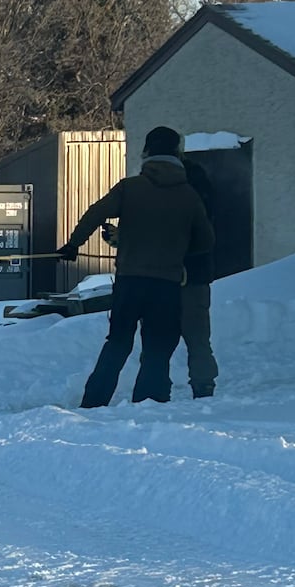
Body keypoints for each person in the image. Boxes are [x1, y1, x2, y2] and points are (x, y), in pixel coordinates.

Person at [56, 126, 214, 408]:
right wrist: (175, 247)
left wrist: (73, 245)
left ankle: (95, 401)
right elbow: (206, 240)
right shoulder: (189, 195)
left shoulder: (130, 188)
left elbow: (95, 213)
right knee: (157, 345)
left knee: (117, 341)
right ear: (177, 152)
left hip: (130, 280)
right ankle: (149, 401)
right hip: (166, 284)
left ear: (146, 153)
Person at [181, 156, 218, 398]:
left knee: (156, 338)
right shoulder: (203, 190)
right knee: (199, 337)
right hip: (197, 274)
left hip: (163, 274)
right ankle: (204, 384)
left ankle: (154, 385)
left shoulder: (159, 191)